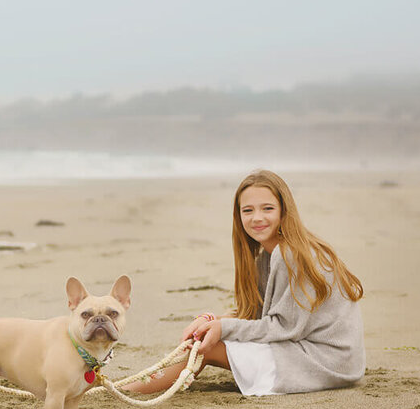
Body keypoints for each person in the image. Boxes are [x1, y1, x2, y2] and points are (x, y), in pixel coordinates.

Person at [122, 169, 365, 396]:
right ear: (238, 215)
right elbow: (256, 315)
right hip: (309, 353)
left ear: (284, 211)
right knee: (202, 338)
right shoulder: (266, 257)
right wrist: (212, 321)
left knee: (206, 350)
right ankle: (129, 386)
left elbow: (282, 328)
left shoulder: (290, 254)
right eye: (247, 210)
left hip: (323, 363)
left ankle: (126, 392)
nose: (257, 218)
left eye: (267, 208)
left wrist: (222, 329)